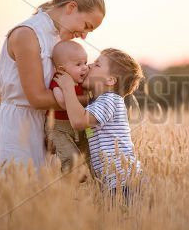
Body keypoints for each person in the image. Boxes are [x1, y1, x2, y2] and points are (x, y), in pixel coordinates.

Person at [0, 0, 105, 169]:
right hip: (15, 130)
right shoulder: (27, 34)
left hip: (41, 128)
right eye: (86, 26)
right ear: (71, 7)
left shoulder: (58, 39)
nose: (84, 35)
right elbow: (38, 97)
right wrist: (92, 103)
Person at [53, 48, 144, 195]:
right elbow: (69, 108)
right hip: (114, 182)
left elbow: (78, 121)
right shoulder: (96, 102)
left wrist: (67, 86)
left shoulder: (110, 100)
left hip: (123, 181)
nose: (88, 66)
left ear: (110, 80)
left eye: (97, 65)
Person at [45, 41, 90, 173]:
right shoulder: (59, 81)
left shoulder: (82, 82)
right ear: (61, 70)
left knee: (90, 151)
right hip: (58, 128)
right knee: (68, 153)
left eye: (85, 63)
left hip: (77, 126)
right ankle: (72, 173)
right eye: (78, 64)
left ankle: (98, 175)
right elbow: (62, 102)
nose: (84, 68)